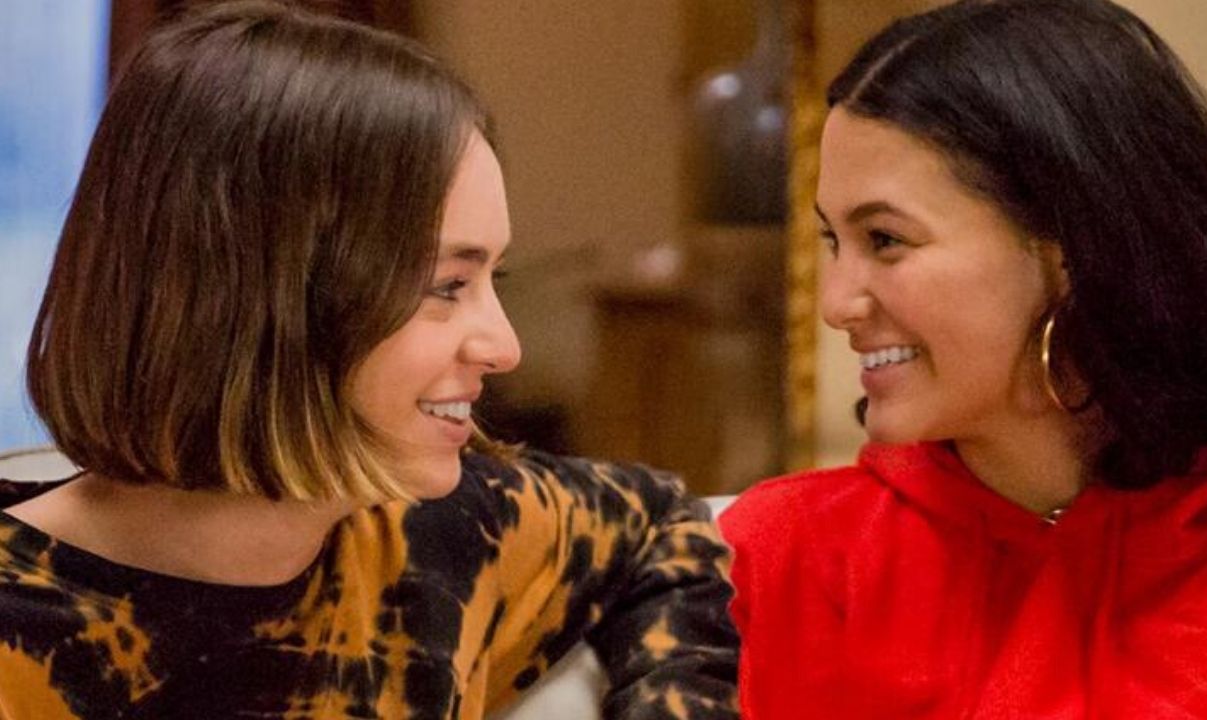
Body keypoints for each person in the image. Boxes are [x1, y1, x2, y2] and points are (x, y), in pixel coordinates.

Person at [0, 3, 739, 718]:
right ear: (258, 302)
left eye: (492, 279)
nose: (504, 347)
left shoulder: (433, 537)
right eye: (445, 286)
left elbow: (660, 526)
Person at [719, 0, 1207, 717]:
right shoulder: (771, 562)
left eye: (885, 239)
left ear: (1071, 247)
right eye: (834, 241)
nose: (836, 303)